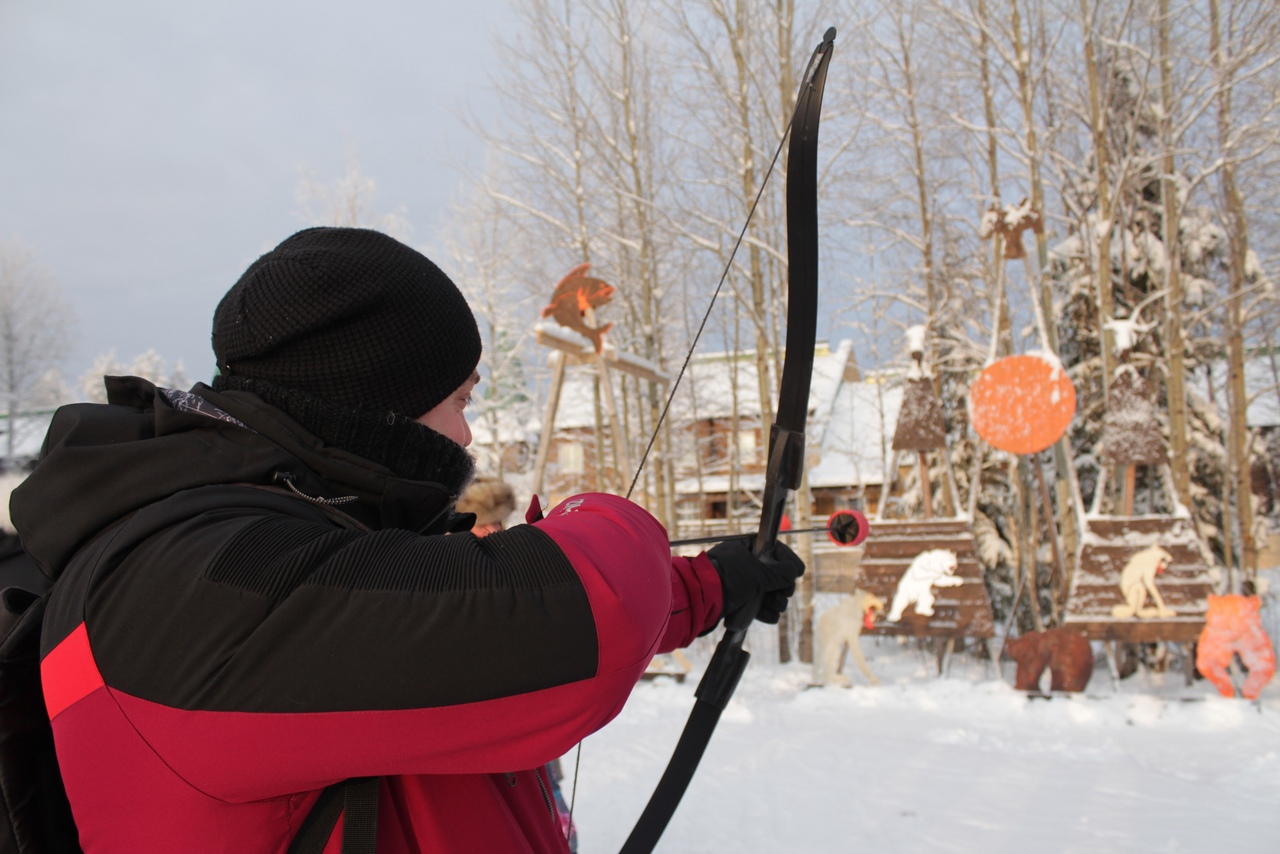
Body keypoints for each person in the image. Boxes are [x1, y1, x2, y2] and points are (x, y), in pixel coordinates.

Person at [10, 227, 803, 853]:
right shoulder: (188, 585)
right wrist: (595, 519)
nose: (467, 430)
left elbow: (453, 631)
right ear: (378, 403)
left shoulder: (287, 547)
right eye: (458, 397)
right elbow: (582, 618)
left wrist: (717, 583)